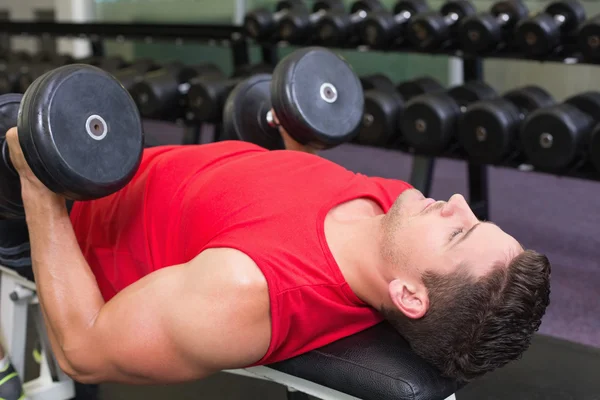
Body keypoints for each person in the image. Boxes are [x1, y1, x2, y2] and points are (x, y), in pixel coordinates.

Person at [2, 119, 550, 388]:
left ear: (408, 294)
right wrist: (295, 153)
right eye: (476, 218)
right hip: (117, 160)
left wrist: (38, 187)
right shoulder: (394, 214)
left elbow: (81, 349)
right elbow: (280, 206)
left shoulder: (247, 291)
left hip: (55, 219)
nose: (456, 202)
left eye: (459, 234)